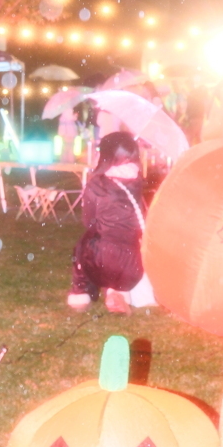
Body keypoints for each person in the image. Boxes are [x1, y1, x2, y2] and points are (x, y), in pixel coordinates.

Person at [67, 130, 156, 315]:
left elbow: (88, 221)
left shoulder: (97, 184)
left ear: (107, 155)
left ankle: (80, 293)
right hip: (133, 263)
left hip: (104, 258)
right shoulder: (137, 182)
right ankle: (118, 293)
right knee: (115, 253)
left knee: (83, 246)